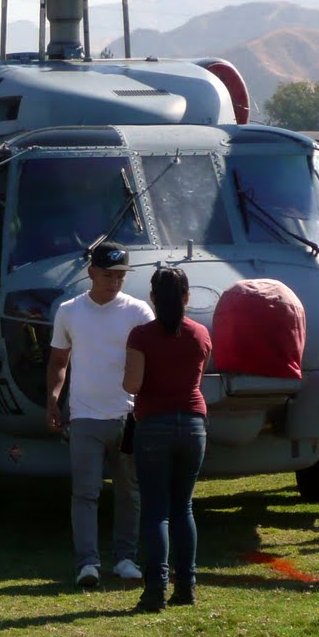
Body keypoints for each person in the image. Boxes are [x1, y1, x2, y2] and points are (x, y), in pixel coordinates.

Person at [46, 242, 152, 587]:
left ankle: (125, 559)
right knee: (85, 492)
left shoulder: (139, 312)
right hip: (85, 418)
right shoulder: (69, 311)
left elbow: (153, 363)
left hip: (129, 416)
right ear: (91, 273)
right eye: (108, 274)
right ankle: (87, 563)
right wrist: (53, 398)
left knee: (129, 492)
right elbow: (59, 361)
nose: (115, 281)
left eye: (120, 275)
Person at [122, 266, 212, 613]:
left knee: (156, 511)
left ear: (153, 298)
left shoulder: (141, 335)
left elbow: (132, 384)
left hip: (153, 425)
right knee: (183, 507)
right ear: (187, 298)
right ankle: (186, 585)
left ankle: (155, 588)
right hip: (192, 424)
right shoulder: (201, 333)